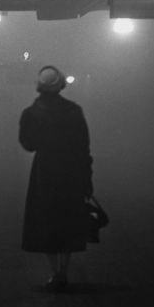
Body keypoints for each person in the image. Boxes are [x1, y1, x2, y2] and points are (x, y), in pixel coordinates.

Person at [19, 65, 93, 292]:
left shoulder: (30, 113)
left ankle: (53, 273)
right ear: (61, 85)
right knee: (67, 219)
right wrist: (87, 177)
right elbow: (83, 146)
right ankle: (64, 270)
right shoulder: (74, 110)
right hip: (70, 169)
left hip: (45, 171)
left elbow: (28, 145)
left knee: (45, 219)